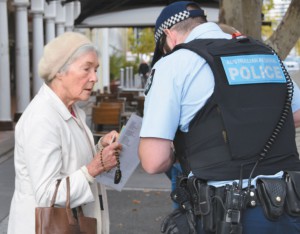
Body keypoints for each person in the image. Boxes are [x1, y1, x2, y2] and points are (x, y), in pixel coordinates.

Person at [138, 1, 300, 234]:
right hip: (288, 205)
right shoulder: (265, 54)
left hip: (228, 215)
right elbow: (295, 113)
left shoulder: (174, 63)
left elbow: (154, 161)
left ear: (169, 36)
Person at [7, 32, 122, 234]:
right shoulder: (42, 118)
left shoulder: (72, 109)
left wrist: (99, 147)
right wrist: (94, 167)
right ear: (60, 71)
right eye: (86, 69)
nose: (94, 77)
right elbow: (47, 194)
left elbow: (69, 161)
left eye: (95, 70)